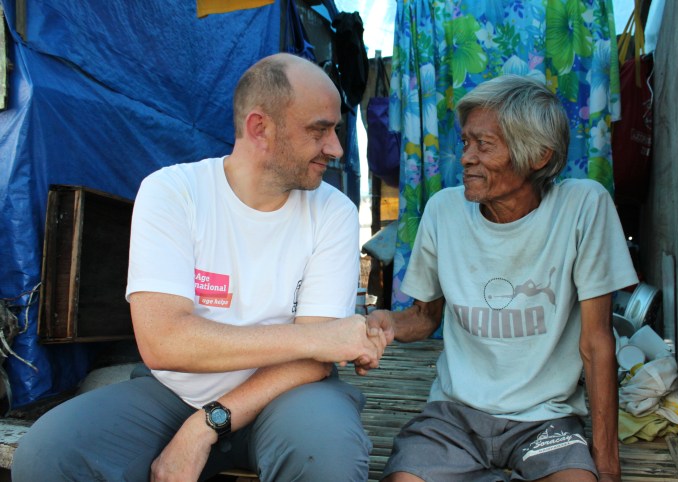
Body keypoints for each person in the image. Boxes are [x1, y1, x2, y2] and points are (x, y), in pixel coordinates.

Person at [12, 53, 388, 481]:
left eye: (335, 130)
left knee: (326, 453)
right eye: (319, 130)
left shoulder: (332, 211)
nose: (336, 148)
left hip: (287, 395)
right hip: (174, 394)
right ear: (259, 128)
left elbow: (317, 360)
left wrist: (207, 424)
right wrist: (315, 339)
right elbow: (164, 342)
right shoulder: (173, 193)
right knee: (49, 453)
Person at [367, 75, 638, 482]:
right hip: (454, 416)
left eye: (484, 145)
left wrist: (608, 468)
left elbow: (597, 343)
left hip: (547, 420)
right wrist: (387, 322)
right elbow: (425, 317)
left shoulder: (583, 207)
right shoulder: (444, 211)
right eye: (465, 143)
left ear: (539, 156)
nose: (465, 158)